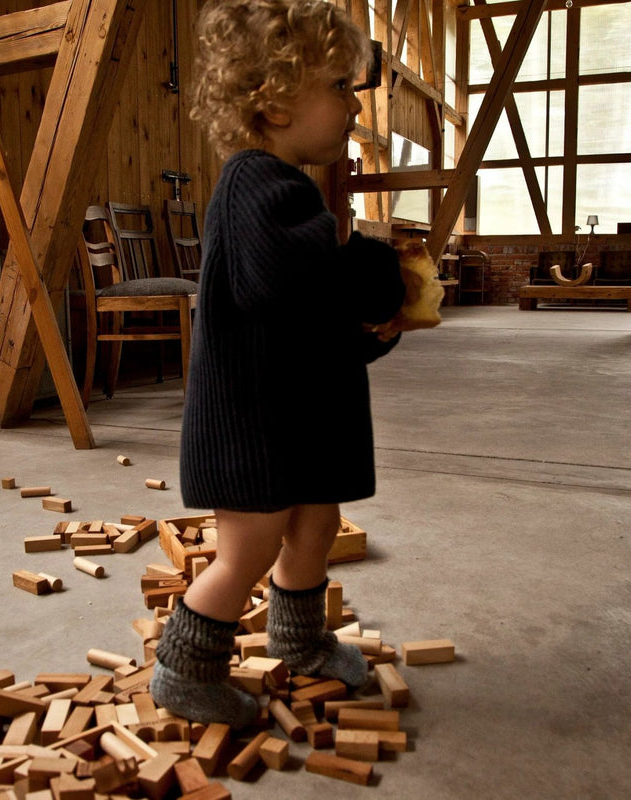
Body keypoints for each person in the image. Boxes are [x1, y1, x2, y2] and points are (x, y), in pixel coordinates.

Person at [149, 0, 407, 728]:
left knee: (316, 522)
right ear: (274, 99)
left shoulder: (288, 187)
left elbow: (307, 318)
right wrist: (368, 268)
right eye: (338, 87)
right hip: (253, 423)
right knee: (250, 548)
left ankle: (300, 639)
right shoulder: (257, 184)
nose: (354, 107)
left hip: (294, 415)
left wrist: (366, 332)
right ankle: (184, 668)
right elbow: (285, 284)